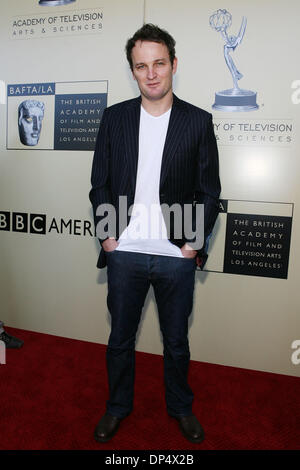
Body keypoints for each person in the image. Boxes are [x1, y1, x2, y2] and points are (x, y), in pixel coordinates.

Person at [89, 23, 221, 444]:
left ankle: (181, 408)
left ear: (173, 65)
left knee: (177, 343)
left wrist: (191, 245)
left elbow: (209, 191)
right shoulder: (114, 118)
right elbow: (100, 184)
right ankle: (117, 408)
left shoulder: (198, 122)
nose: (151, 73)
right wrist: (109, 240)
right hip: (124, 250)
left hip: (174, 254)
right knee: (120, 341)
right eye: (141, 65)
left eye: (159, 63)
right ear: (133, 71)